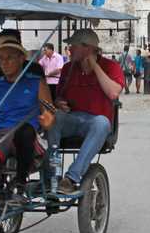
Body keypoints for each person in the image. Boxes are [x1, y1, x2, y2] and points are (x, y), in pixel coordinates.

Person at [0, 32, 55, 189]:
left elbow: (49, 110)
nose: (4, 63)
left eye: (9, 58)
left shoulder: (36, 82)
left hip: (27, 136)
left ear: (21, 59)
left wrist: (48, 119)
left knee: (24, 132)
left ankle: (21, 182)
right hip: (0, 136)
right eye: (1, 59)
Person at [47, 29, 124, 194]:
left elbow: (113, 93)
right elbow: (58, 98)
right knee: (53, 118)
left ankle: (72, 177)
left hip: (96, 121)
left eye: (73, 46)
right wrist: (59, 103)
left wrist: (94, 66)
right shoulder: (68, 69)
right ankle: (52, 175)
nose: (69, 49)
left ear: (87, 49)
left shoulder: (111, 67)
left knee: (102, 123)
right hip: (72, 118)